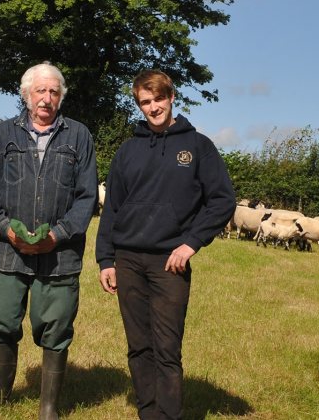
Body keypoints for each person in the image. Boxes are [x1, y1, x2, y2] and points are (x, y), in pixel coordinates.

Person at [95, 70, 235, 419]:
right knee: (139, 347)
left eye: (159, 98)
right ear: (139, 105)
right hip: (127, 259)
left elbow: (222, 200)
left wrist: (190, 244)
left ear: (172, 97)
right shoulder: (128, 151)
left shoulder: (198, 146)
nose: (153, 107)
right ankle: (148, 412)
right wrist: (105, 259)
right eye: (145, 101)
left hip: (170, 263)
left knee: (167, 347)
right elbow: (112, 208)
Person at [0, 62, 97, 420]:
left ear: (60, 98)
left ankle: (48, 407)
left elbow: (87, 198)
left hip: (59, 256)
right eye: (40, 91)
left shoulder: (79, 137)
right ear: (26, 95)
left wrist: (58, 235)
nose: (46, 98)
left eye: (54, 92)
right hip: (5, 253)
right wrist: (4, 228)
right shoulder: (2, 135)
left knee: (55, 325)